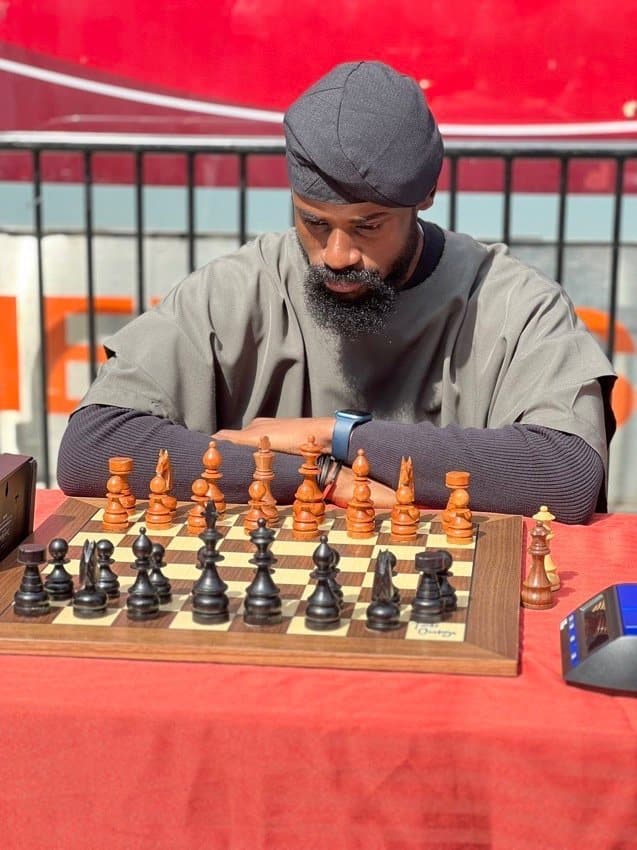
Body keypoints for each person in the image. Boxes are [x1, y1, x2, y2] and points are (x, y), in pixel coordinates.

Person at [57, 60, 616, 523]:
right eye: (314, 223)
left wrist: (336, 435)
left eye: (369, 226)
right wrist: (323, 475)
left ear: (425, 198)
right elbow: (93, 446)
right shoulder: (239, 287)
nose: (337, 255)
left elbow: (564, 471)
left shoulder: (509, 301)